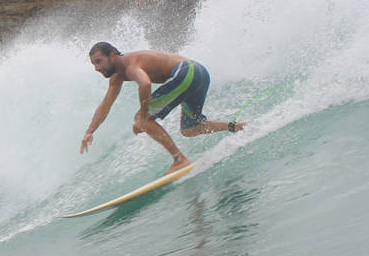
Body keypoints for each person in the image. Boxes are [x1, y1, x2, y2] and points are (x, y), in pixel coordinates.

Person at [79, 42, 245, 173]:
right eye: (93, 64)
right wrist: (90, 131)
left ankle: (179, 160)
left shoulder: (129, 65)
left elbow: (144, 84)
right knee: (190, 128)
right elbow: (105, 106)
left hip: (187, 72)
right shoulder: (116, 78)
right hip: (199, 72)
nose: (97, 68)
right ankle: (236, 126)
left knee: (140, 118)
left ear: (113, 55)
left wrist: (143, 118)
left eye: (99, 62)